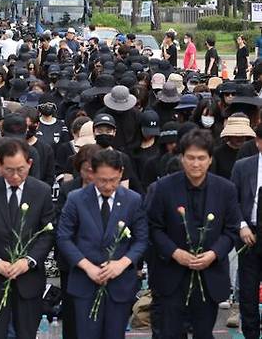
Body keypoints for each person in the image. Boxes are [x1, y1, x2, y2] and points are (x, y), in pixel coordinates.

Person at [147, 129, 240, 338]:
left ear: (210, 160)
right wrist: (175, 252)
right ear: (181, 158)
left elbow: (232, 229)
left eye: (201, 158)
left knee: (204, 333)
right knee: (169, 333)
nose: (195, 164)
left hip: (209, 275)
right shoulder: (163, 188)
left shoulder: (226, 189)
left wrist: (214, 254)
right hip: (171, 275)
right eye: (190, 158)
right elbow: (153, 227)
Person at [0, 137, 55, 339]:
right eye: (9, 170)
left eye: (21, 169)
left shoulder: (41, 191)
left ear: (30, 164)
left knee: (25, 333)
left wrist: (29, 261)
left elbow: (48, 232)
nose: (15, 176)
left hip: (28, 279)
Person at [57, 149, 148, 339]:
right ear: (92, 173)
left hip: (119, 283)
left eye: (113, 180)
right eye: (102, 180)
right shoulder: (76, 198)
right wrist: (87, 267)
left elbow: (141, 239)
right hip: (85, 281)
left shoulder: (133, 200)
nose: (108, 186)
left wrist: (122, 263)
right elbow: (64, 238)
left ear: (121, 173)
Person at [54, 143, 101, 339]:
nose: (90, 176)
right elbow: (61, 226)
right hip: (72, 261)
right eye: (86, 171)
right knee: (73, 314)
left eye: (94, 171)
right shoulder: (68, 190)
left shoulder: (108, 189)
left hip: (101, 261)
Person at [230, 125, 262, 338]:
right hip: (248, 235)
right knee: (248, 293)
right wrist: (241, 226)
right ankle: (251, 334)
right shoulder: (242, 166)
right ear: (258, 142)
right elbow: (232, 201)